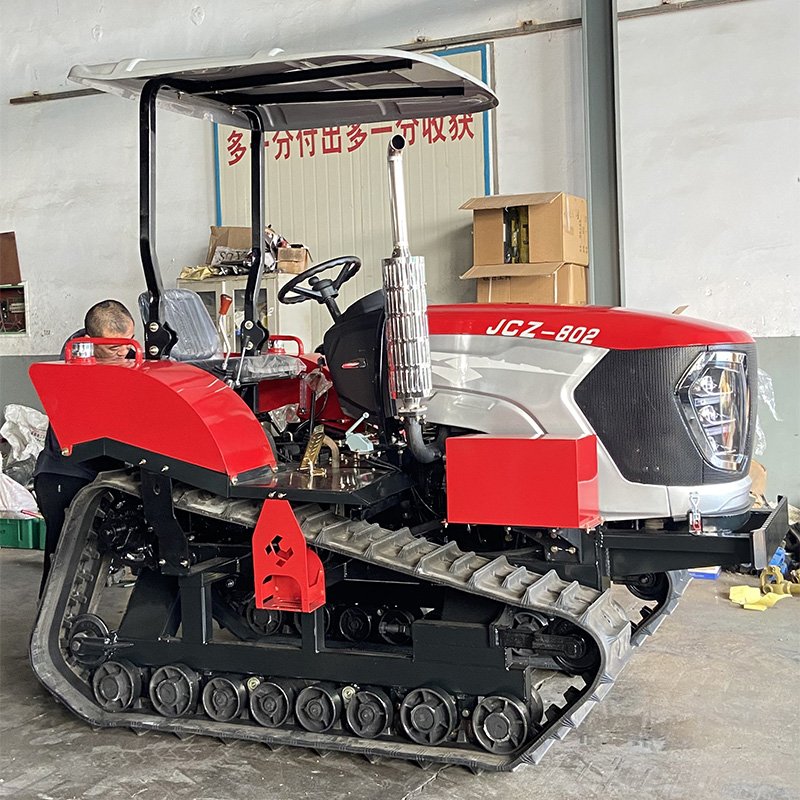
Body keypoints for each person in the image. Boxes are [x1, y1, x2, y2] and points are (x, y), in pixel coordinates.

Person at [34, 299, 137, 597]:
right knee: (62, 561)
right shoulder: (74, 369)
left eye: (127, 343)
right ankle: (47, 630)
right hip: (64, 475)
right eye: (113, 348)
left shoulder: (126, 359)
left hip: (104, 472)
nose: (123, 352)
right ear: (91, 343)